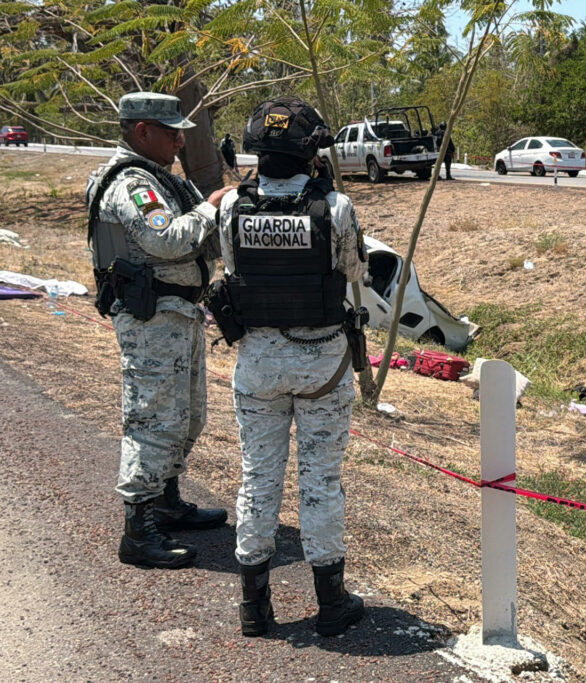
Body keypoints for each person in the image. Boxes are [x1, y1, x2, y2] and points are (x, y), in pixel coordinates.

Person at [210, 96, 368, 638]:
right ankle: (331, 604)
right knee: (321, 480)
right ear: (312, 154)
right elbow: (353, 271)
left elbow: (231, 268)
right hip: (322, 365)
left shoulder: (232, 207)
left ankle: (254, 607)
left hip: (257, 365)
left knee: (258, 477)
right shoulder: (336, 209)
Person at [85, 92, 232, 569]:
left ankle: (165, 499)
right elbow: (165, 239)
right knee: (152, 420)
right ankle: (139, 528)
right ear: (142, 131)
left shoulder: (159, 178)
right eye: (171, 132)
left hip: (177, 314)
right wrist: (210, 207)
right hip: (151, 320)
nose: (179, 139)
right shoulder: (131, 184)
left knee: (187, 416)